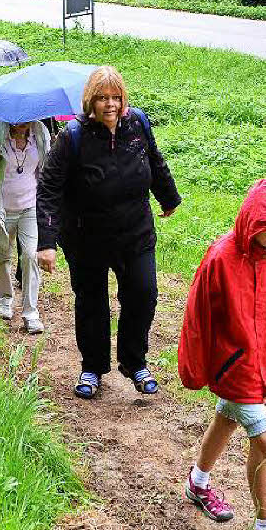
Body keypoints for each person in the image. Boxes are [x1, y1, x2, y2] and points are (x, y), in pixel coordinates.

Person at [179, 178, 266, 530]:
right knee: (264, 440)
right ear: (252, 222)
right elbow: (197, 317)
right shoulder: (220, 257)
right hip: (232, 363)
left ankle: (198, 483)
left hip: (260, 358)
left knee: (227, 417)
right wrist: (195, 367)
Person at [36, 65, 181, 399]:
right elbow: (49, 189)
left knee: (143, 294)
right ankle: (92, 367)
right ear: (90, 101)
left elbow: (155, 161)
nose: (110, 104)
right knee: (92, 303)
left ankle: (134, 362)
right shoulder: (72, 137)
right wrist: (47, 242)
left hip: (135, 233)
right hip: (87, 237)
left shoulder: (138, 125)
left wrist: (168, 197)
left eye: (115, 97)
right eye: (102, 98)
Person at [0, 117, 50, 330]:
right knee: (2, 256)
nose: (23, 123)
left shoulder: (40, 132)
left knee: (31, 256)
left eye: (28, 119)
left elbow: (48, 166)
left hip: (30, 207)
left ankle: (31, 313)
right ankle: (4, 300)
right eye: (18, 120)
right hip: (2, 207)